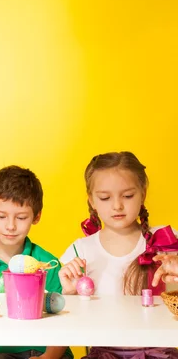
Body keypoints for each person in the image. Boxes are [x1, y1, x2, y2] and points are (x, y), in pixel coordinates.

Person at [59, 152, 178, 359]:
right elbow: (67, 321)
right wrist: (70, 295)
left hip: (160, 353)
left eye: (128, 196)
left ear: (143, 193)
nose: (117, 206)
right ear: (92, 201)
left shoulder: (166, 240)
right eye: (105, 198)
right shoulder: (81, 250)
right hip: (104, 354)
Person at [0, 166, 70, 359]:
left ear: (37, 216)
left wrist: (48, 357)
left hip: (49, 353)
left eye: (21, 217)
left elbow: (64, 322)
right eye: (1, 216)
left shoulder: (47, 264)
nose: (10, 226)